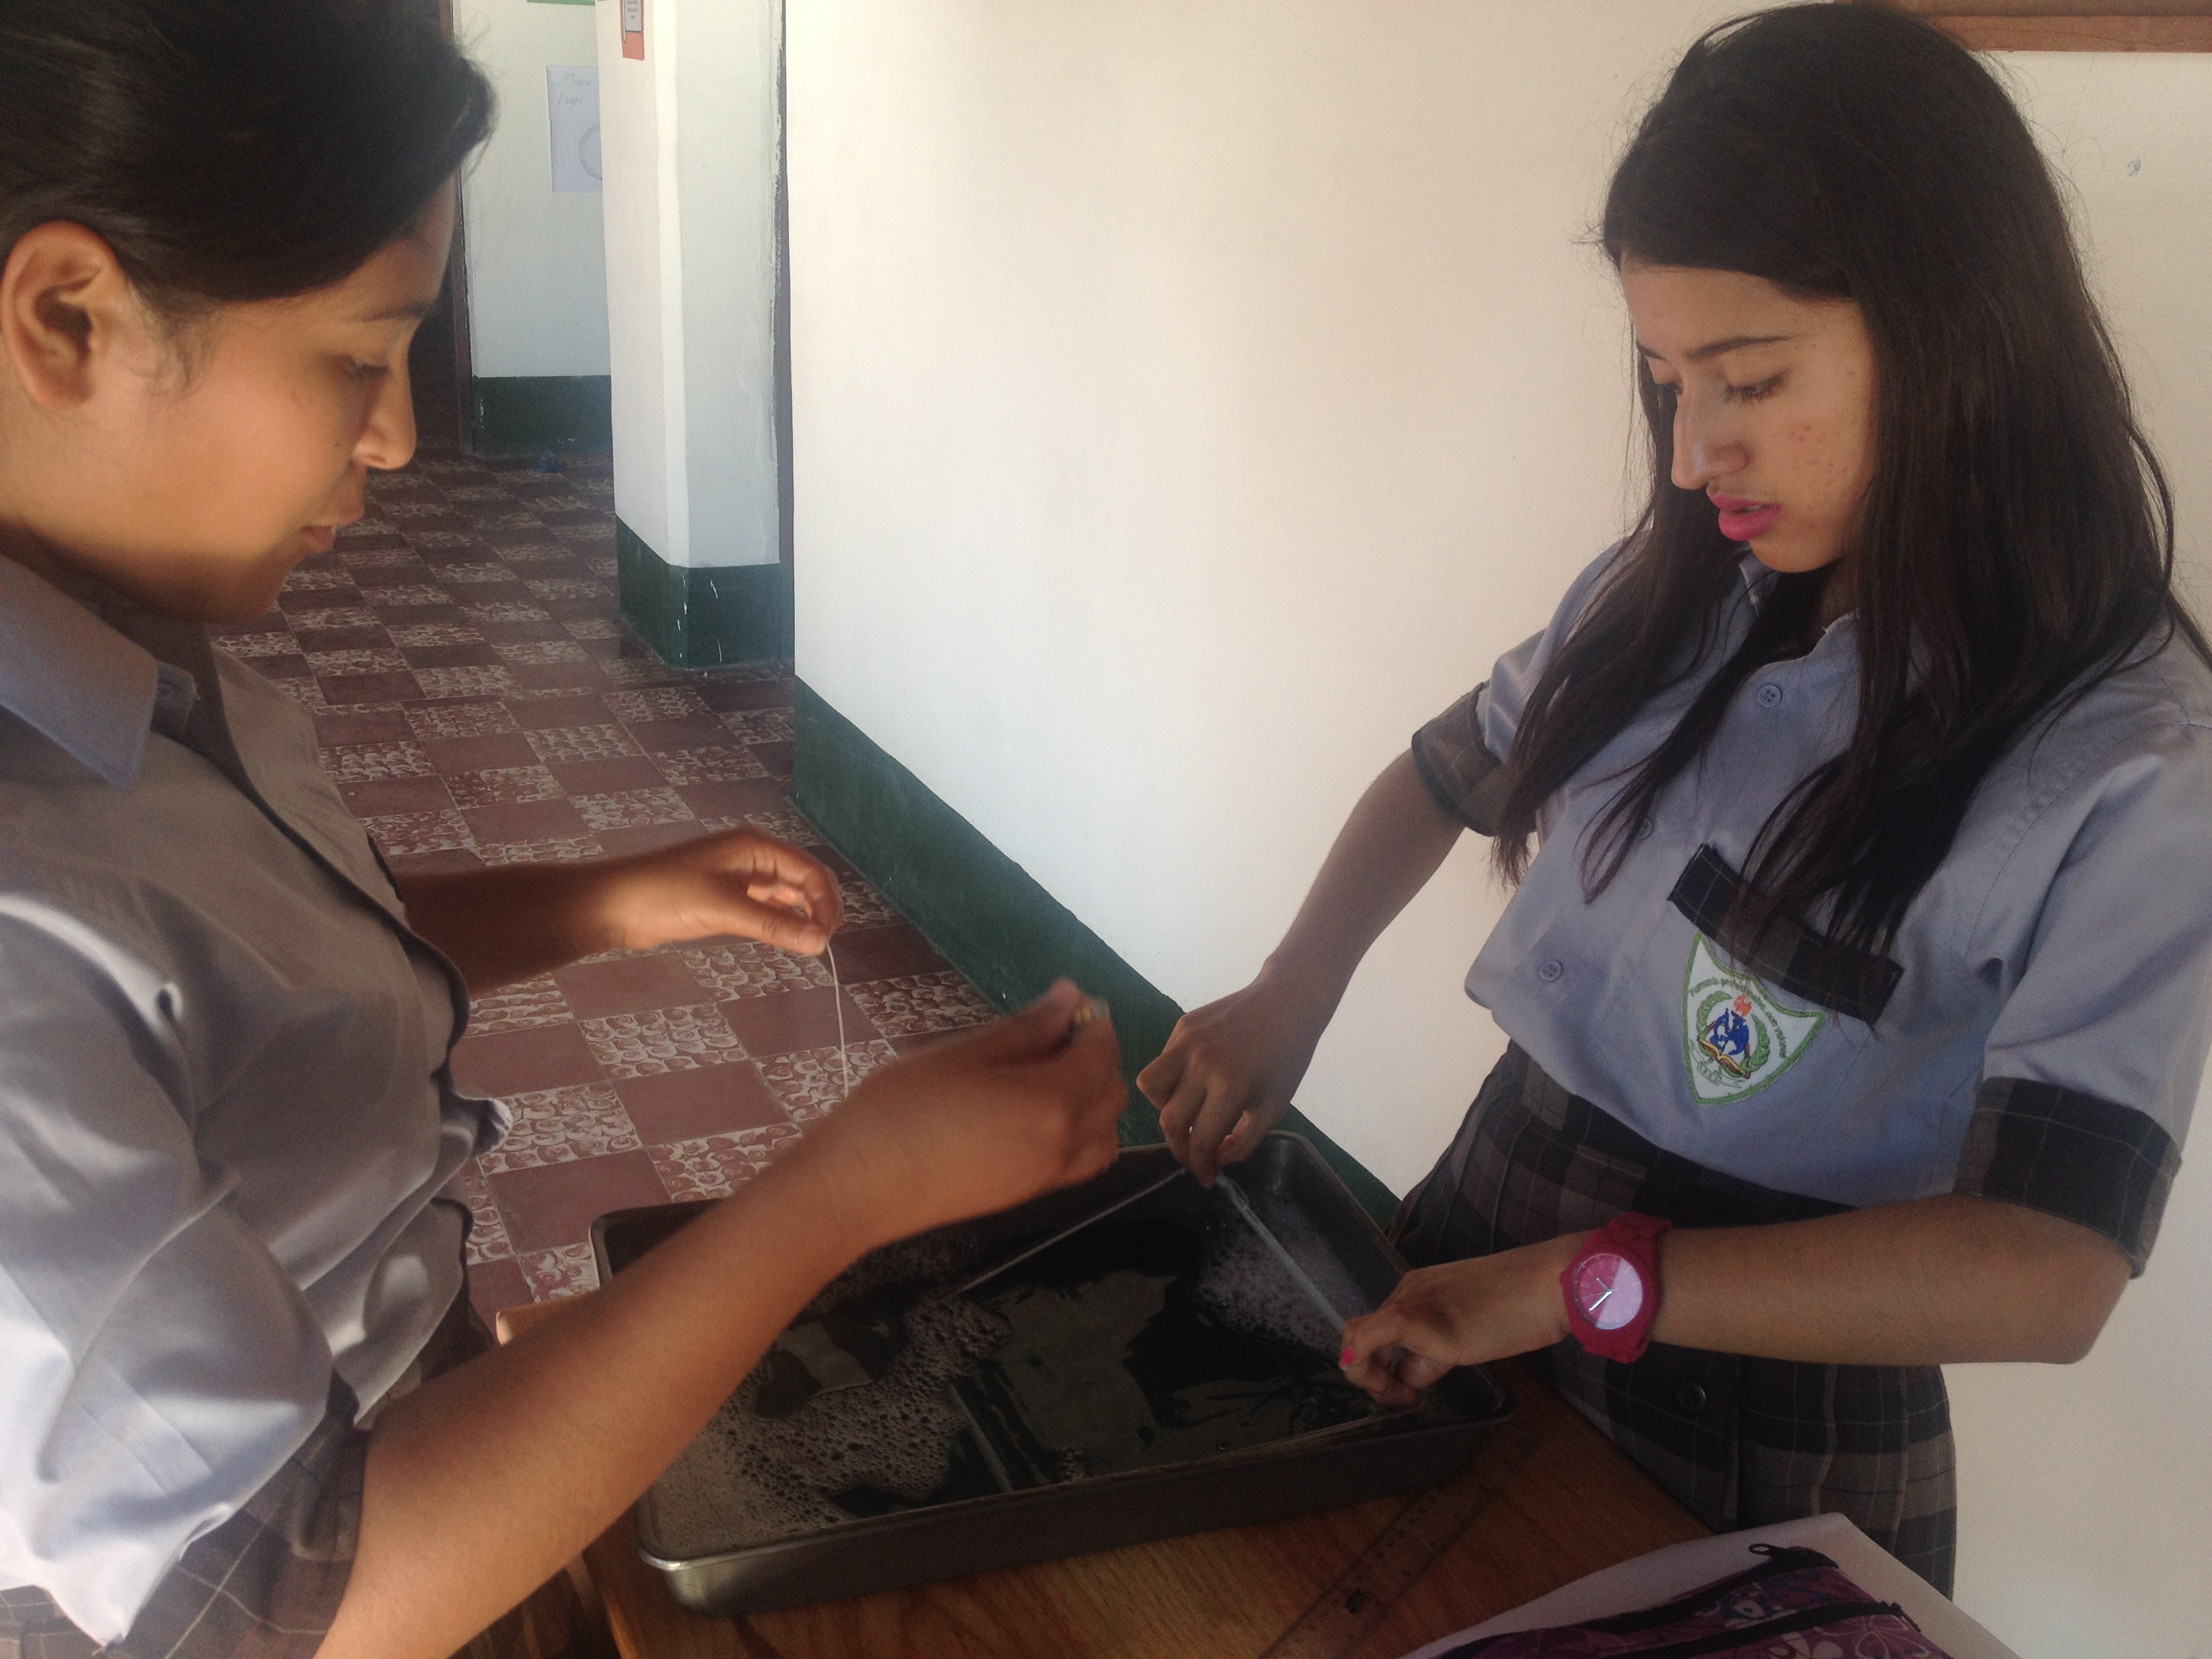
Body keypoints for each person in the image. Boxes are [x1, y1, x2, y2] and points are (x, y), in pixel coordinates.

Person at [0, 4, 1127, 1655]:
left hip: (424, 1422)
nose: (397, 435)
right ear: (69, 318)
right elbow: (293, 1599)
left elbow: (235, 976)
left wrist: (611, 901)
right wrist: (840, 1190)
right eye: (360, 355)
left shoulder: (123, 659)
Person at [1138, 3, 2210, 1595]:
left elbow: (2049, 1272)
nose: (1699, 454)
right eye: (1666, 384)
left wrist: (1588, 1280)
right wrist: (1295, 988)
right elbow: (1439, 776)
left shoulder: (2129, 764)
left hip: (1764, 1389)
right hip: (1488, 1235)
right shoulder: (1681, 592)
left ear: (1957, 336)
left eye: (1749, 380)